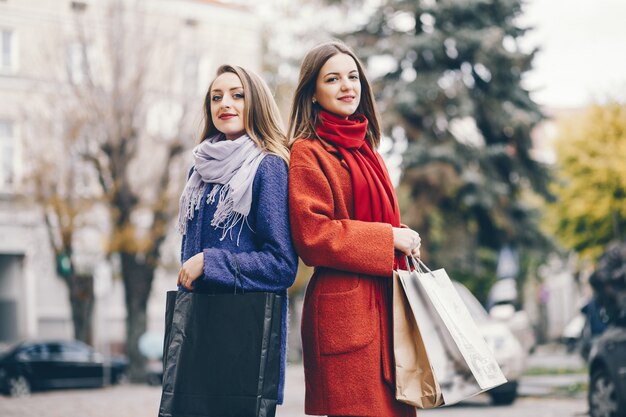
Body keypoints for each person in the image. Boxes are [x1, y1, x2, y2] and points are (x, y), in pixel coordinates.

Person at [288, 41, 421, 417]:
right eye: (332, 79)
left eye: (352, 77)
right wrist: (388, 238)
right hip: (345, 314)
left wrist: (402, 237)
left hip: (388, 307)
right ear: (313, 94)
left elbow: (380, 222)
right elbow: (313, 236)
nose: (347, 86)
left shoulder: (370, 151)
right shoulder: (307, 152)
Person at [174, 64, 298, 410]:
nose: (224, 103)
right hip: (201, 339)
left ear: (255, 103)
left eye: (236, 95)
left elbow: (282, 266)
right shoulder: (198, 171)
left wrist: (210, 262)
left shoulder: (268, 167)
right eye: (216, 97)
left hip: (245, 344)